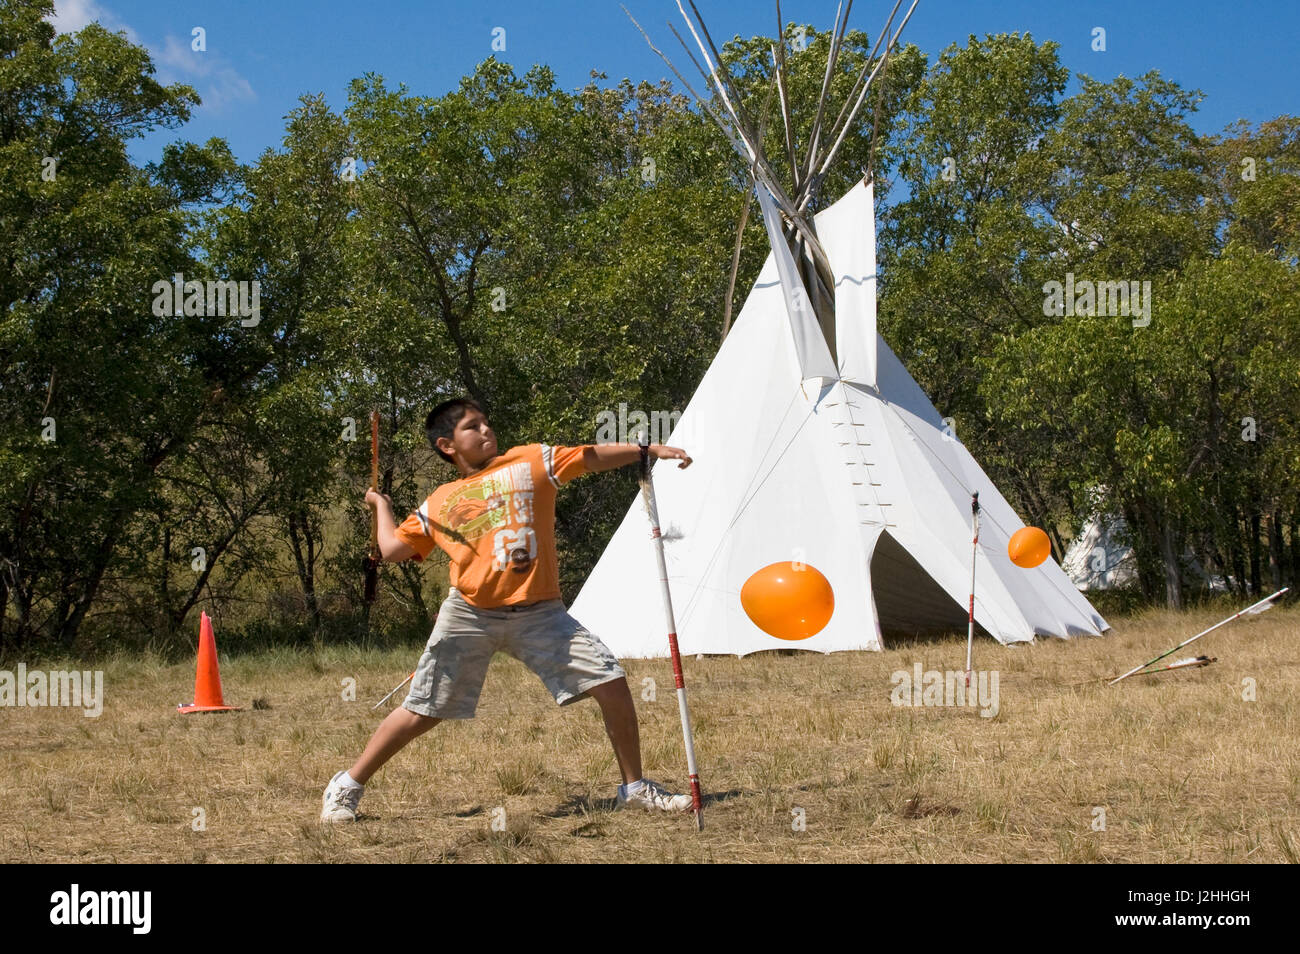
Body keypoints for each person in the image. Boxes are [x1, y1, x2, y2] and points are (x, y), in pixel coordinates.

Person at [322, 397, 696, 821]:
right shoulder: (441, 500)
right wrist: (382, 506)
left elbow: (589, 456)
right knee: (423, 710)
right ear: (447, 445)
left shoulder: (529, 461)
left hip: (540, 612)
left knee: (611, 681)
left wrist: (647, 450)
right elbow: (390, 549)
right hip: (469, 613)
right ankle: (348, 784)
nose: (486, 430)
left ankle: (635, 788)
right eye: (472, 427)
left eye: (486, 422)